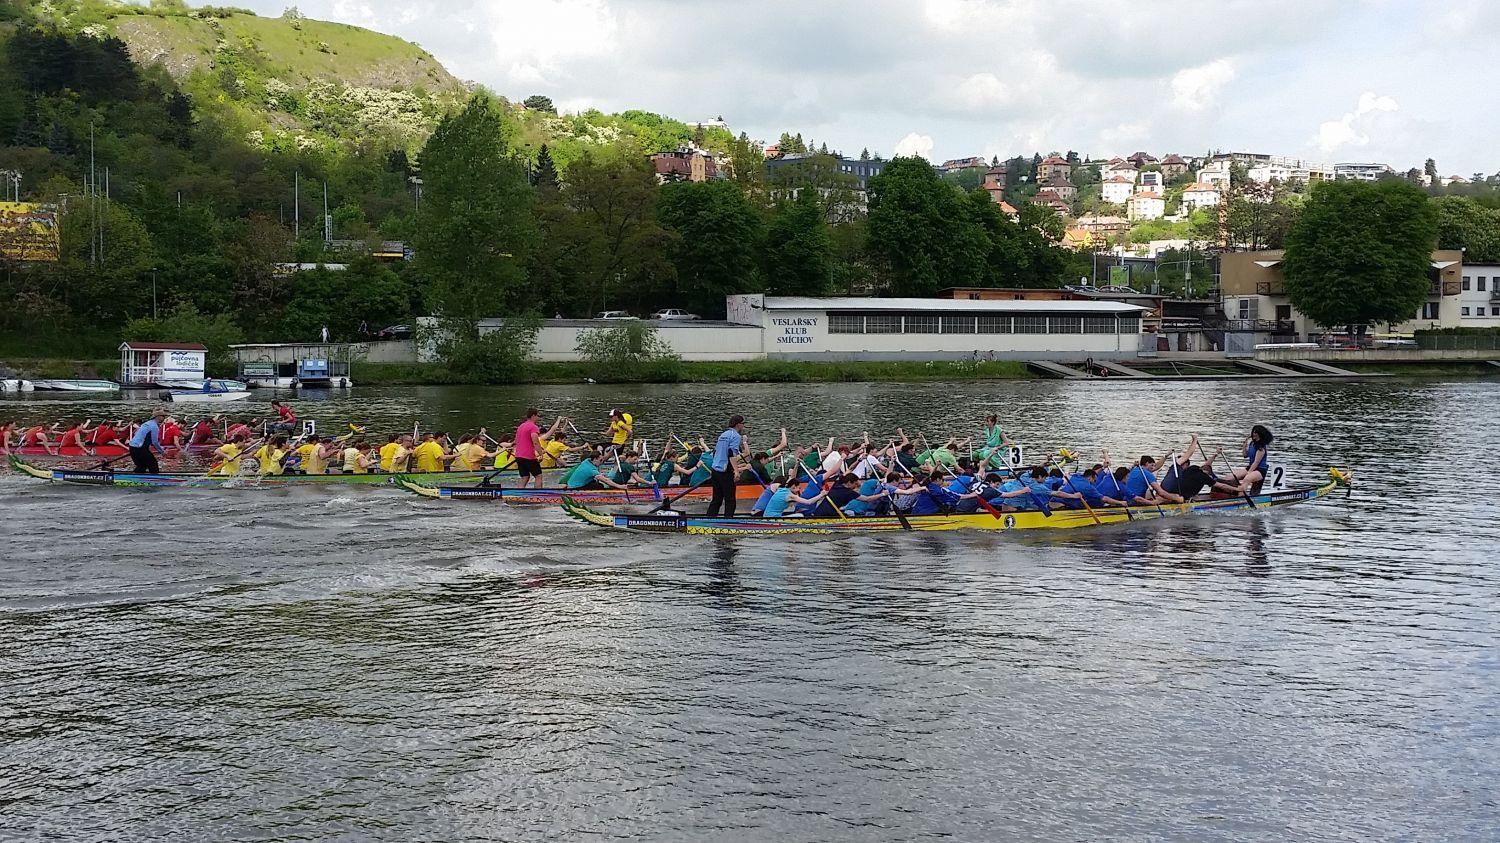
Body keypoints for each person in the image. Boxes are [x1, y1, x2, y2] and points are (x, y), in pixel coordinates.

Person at [708, 415, 746, 517]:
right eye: (743, 424)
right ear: (738, 425)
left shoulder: (723, 434)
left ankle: (709, 518)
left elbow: (715, 452)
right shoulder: (736, 436)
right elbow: (731, 454)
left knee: (717, 499)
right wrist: (736, 471)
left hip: (715, 469)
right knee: (730, 500)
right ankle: (728, 520)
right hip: (725, 471)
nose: (744, 426)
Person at [1221, 425, 1274, 493]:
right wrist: (1244, 446)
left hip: (1260, 470)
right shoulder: (1252, 443)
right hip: (1250, 467)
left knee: (1247, 479)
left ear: (1259, 434)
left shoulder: (1261, 448)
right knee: (1229, 477)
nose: (1253, 434)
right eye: (1253, 432)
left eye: (1255, 432)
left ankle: (1241, 496)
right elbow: (1245, 455)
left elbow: (1256, 462)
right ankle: (1230, 493)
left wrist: (1248, 473)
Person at [512, 408, 546, 489]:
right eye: (537, 416)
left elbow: (516, 441)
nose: (538, 418)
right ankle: (537, 494)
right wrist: (541, 454)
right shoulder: (533, 427)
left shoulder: (520, 426)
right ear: (533, 416)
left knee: (525, 476)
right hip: (528, 456)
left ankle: (519, 492)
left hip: (518, 456)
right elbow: (535, 442)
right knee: (538, 476)